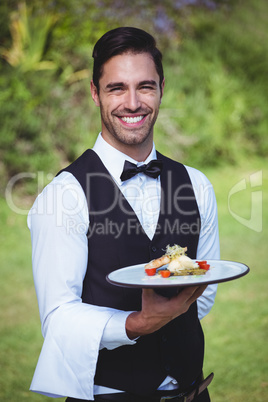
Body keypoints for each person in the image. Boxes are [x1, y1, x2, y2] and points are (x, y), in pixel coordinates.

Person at [28, 27, 220, 402]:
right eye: (117, 88)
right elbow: (58, 317)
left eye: (145, 86)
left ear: (161, 88)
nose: (133, 103)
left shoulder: (197, 184)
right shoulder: (64, 195)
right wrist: (137, 324)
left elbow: (206, 290)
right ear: (95, 94)